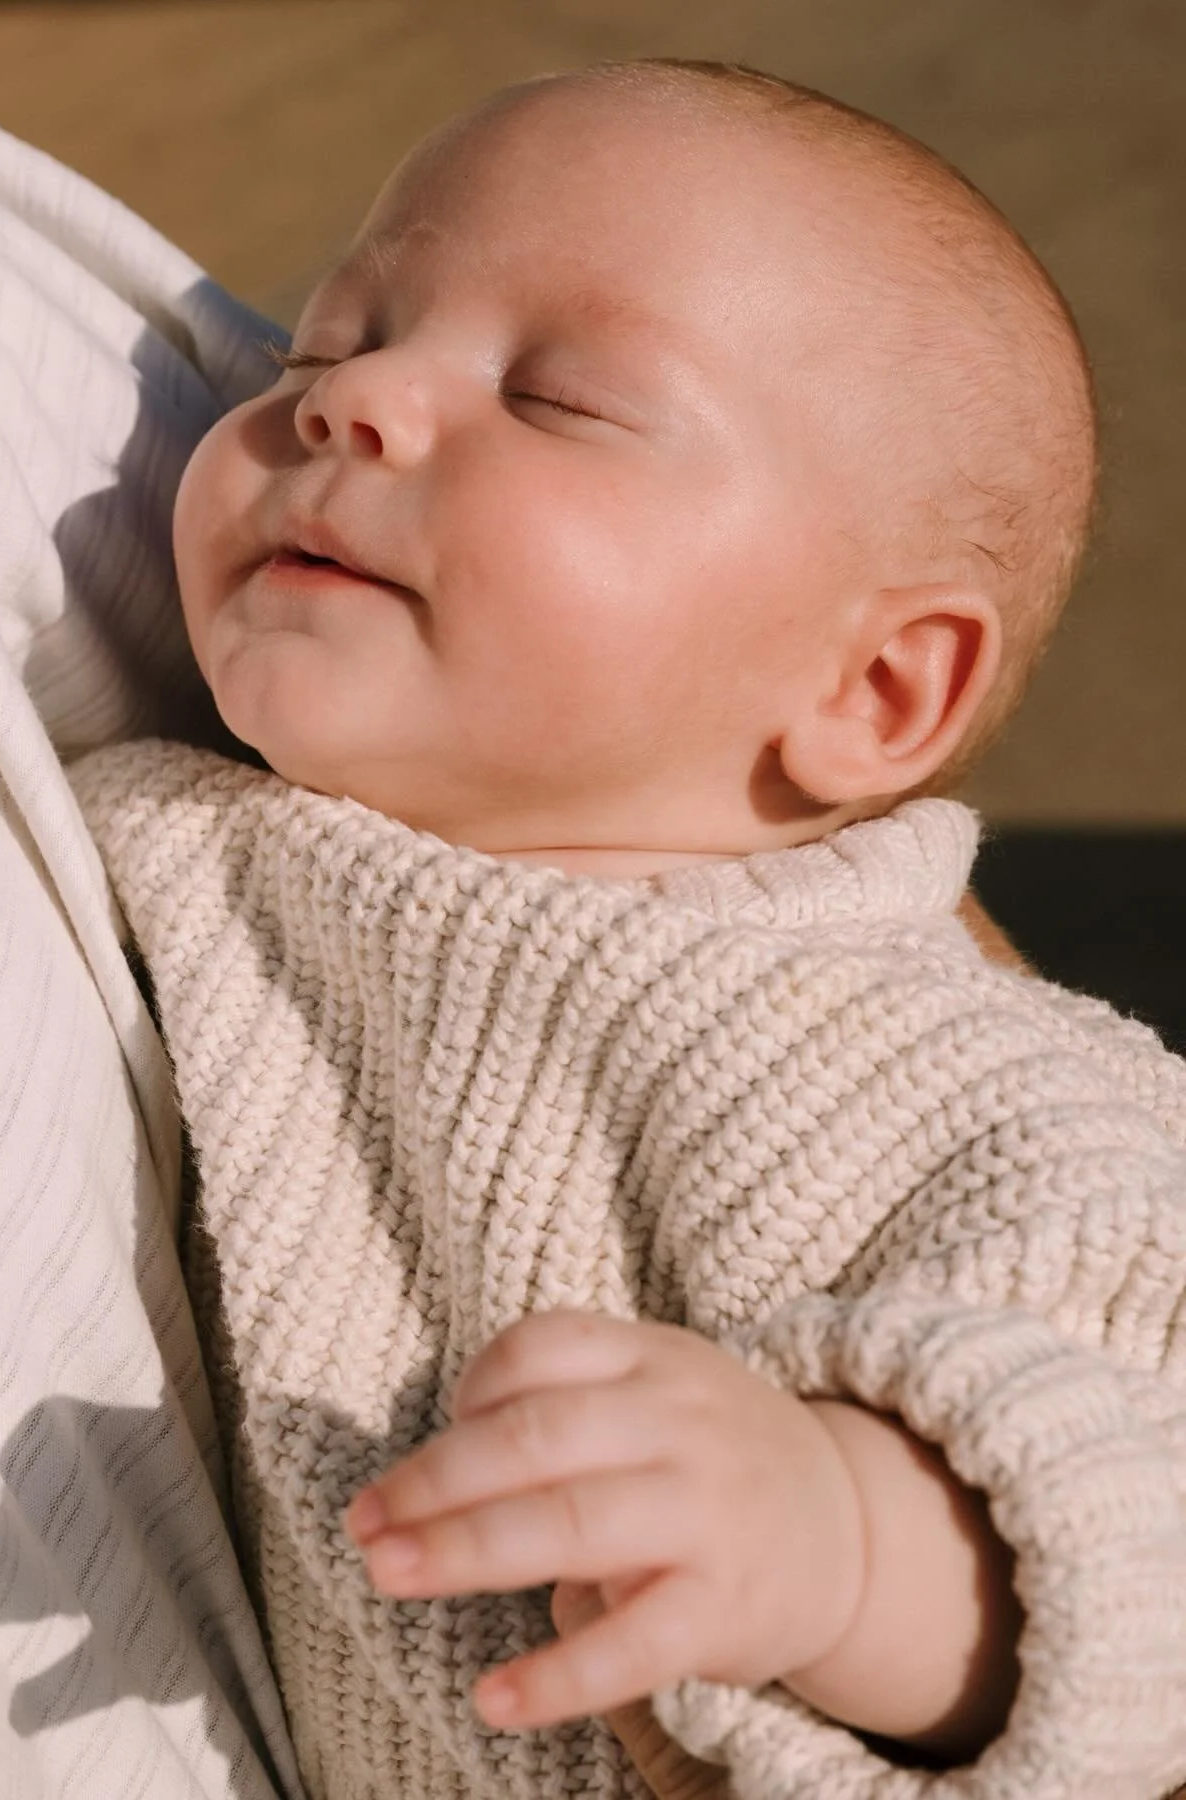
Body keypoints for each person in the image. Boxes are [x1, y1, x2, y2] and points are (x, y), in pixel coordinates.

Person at [71, 58, 1186, 1800]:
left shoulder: (949, 1071)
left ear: (877, 688)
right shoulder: (165, 823)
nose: (350, 404)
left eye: (563, 398)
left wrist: (848, 1546)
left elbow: (1152, 1501)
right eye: (325, 342)